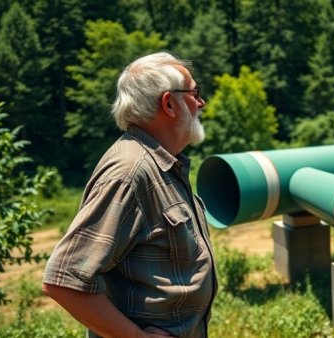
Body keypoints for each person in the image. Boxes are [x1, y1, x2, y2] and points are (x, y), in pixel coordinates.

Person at [42, 52, 217, 338]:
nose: (201, 103)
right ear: (169, 103)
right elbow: (64, 279)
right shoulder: (130, 172)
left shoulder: (162, 164)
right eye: (194, 92)